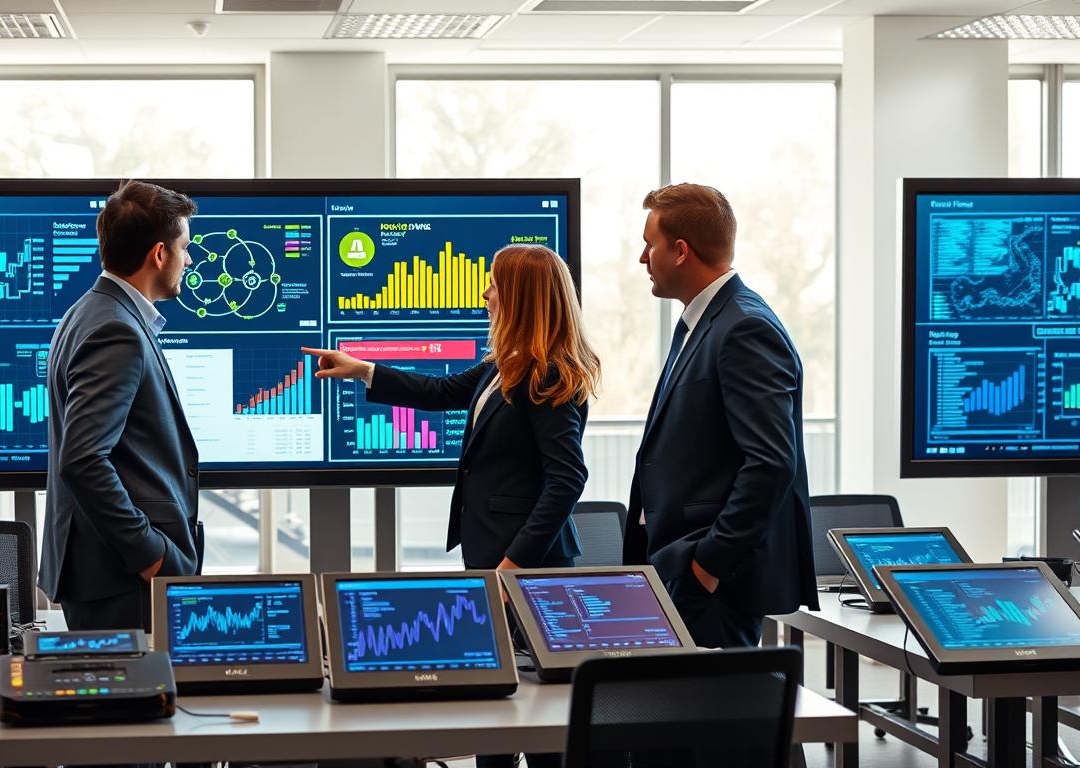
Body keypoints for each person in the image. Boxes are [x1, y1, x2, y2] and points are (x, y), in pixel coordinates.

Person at [305, 243, 598, 768]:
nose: (485, 293)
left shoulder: (547, 372)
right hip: (493, 559)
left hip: (524, 572)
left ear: (523, 298)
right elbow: (439, 390)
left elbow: (567, 478)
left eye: (495, 285)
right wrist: (362, 370)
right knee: (495, 713)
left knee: (540, 726)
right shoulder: (506, 364)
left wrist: (513, 568)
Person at [621, 182, 818, 649]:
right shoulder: (702, 322)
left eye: (650, 244)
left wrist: (707, 566)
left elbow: (770, 464)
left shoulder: (744, 327)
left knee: (710, 717)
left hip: (713, 580)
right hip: (681, 563)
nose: (643, 258)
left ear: (682, 251)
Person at [39, 180, 202, 634]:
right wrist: (148, 553)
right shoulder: (118, 331)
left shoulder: (88, 312)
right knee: (132, 702)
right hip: (121, 578)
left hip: (107, 574)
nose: (188, 259)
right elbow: (83, 460)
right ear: (158, 255)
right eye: (184, 247)